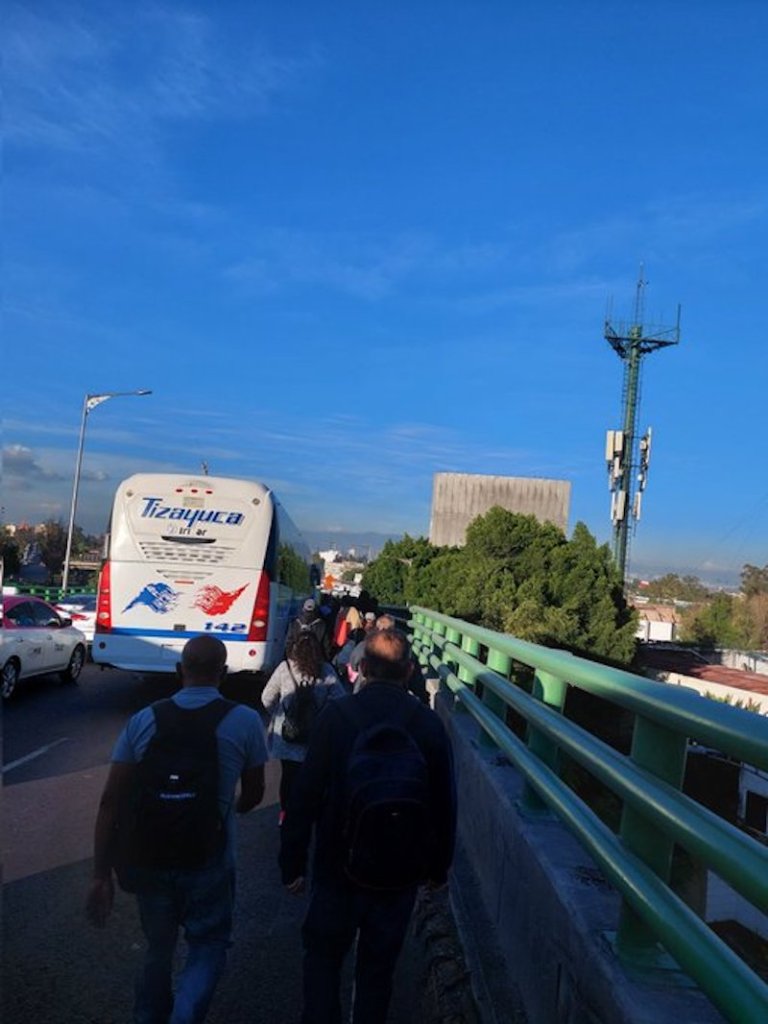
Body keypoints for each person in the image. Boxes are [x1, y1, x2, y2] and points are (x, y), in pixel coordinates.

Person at [85, 635, 268, 1024]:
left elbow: (109, 802)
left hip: (151, 855)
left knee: (158, 947)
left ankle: (148, 1016)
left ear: (179, 670)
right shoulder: (245, 721)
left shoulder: (145, 719)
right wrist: (226, 810)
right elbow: (254, 795)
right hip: (210, 858)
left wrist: (101, 873)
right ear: (223, 673)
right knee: (208, 944)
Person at [279, 628, 456, 1024]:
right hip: (399, 872)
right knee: (377, 971)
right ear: (409, 670)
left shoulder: (337, 717)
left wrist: (291, 862)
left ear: (360, 669)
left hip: (337, 866)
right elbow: (444, 800)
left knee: (323, 960)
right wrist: (438, 868)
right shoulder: (427, 725)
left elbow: (304, 796)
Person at [261, 631, 346, 822]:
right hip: (316, 735)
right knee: (314, 777)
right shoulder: (326, 671)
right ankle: (310, 814)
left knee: (288, 777)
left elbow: (266, 698)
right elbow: (341, 700)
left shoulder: (285, 668)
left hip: (287, 736)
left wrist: (280, 714)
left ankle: (285, 813)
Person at [349, 614, 429, 705]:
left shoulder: (364, 646)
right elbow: (417, 684)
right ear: (408, 670)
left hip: (362, 696)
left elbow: (353, 664)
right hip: (398, 703)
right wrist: (425, 701)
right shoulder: (405, 651)